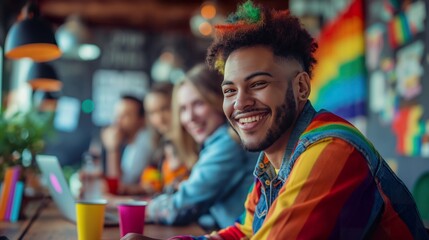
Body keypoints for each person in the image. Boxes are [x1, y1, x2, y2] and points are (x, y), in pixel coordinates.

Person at [122, 1, 428, 239]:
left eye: (258, 84)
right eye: (230, 90)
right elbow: (244, 232)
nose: (239, 103)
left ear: (302, 87)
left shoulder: (331, 151)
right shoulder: (273, 161)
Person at [144, 63, 258, 230]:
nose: (190, 117)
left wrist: (139, 207)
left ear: (219, 101)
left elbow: (179, 209)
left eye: (198, 103)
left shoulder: (228, 144)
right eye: (183, 108)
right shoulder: (215, 142)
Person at [101, 95, 152, 190]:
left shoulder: (145, 141)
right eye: (117, 116)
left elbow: (119, 185)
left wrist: (112, 149)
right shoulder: (131, 143)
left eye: (125, 116)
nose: (117, 122)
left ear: (141, 120)